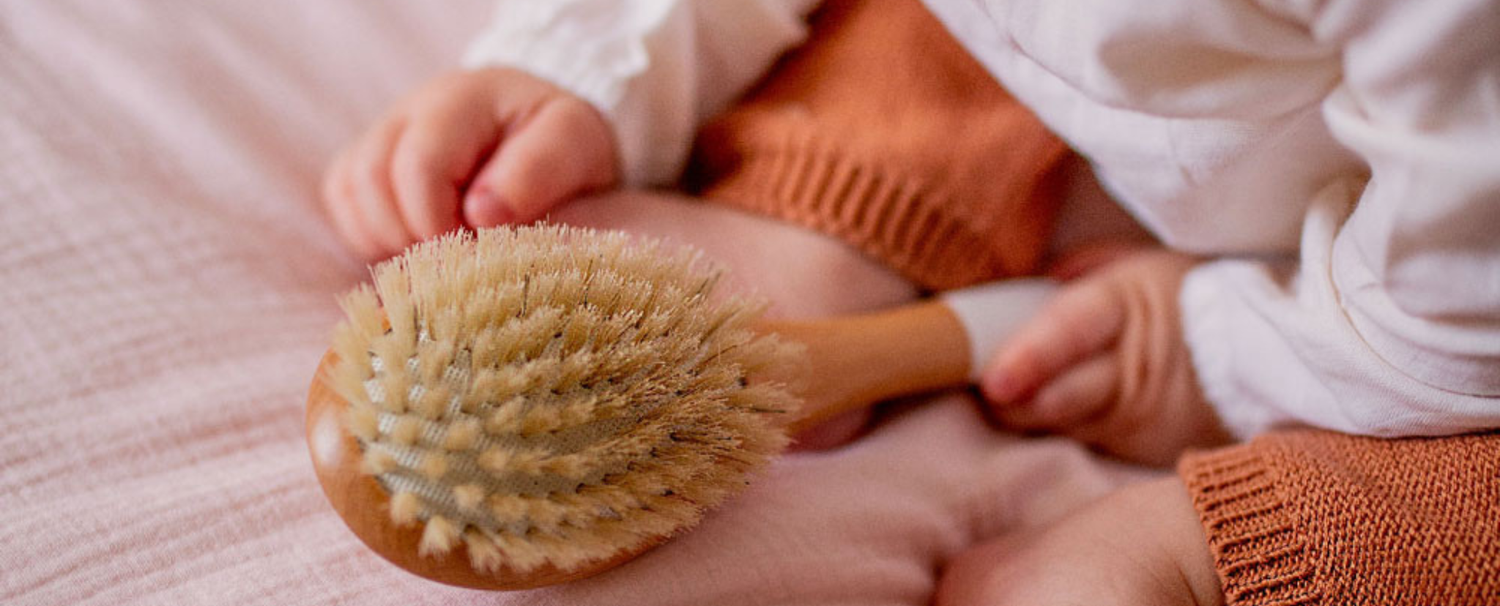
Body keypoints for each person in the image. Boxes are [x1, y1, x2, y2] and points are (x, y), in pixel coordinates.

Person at [321, 0, 1500, 603]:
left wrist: (1218, 352)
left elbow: (1464, 327)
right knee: (918, 49)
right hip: (1116, 77)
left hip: (1459, 278)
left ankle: (1218, 555)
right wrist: (593, 65)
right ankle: (827, 213)